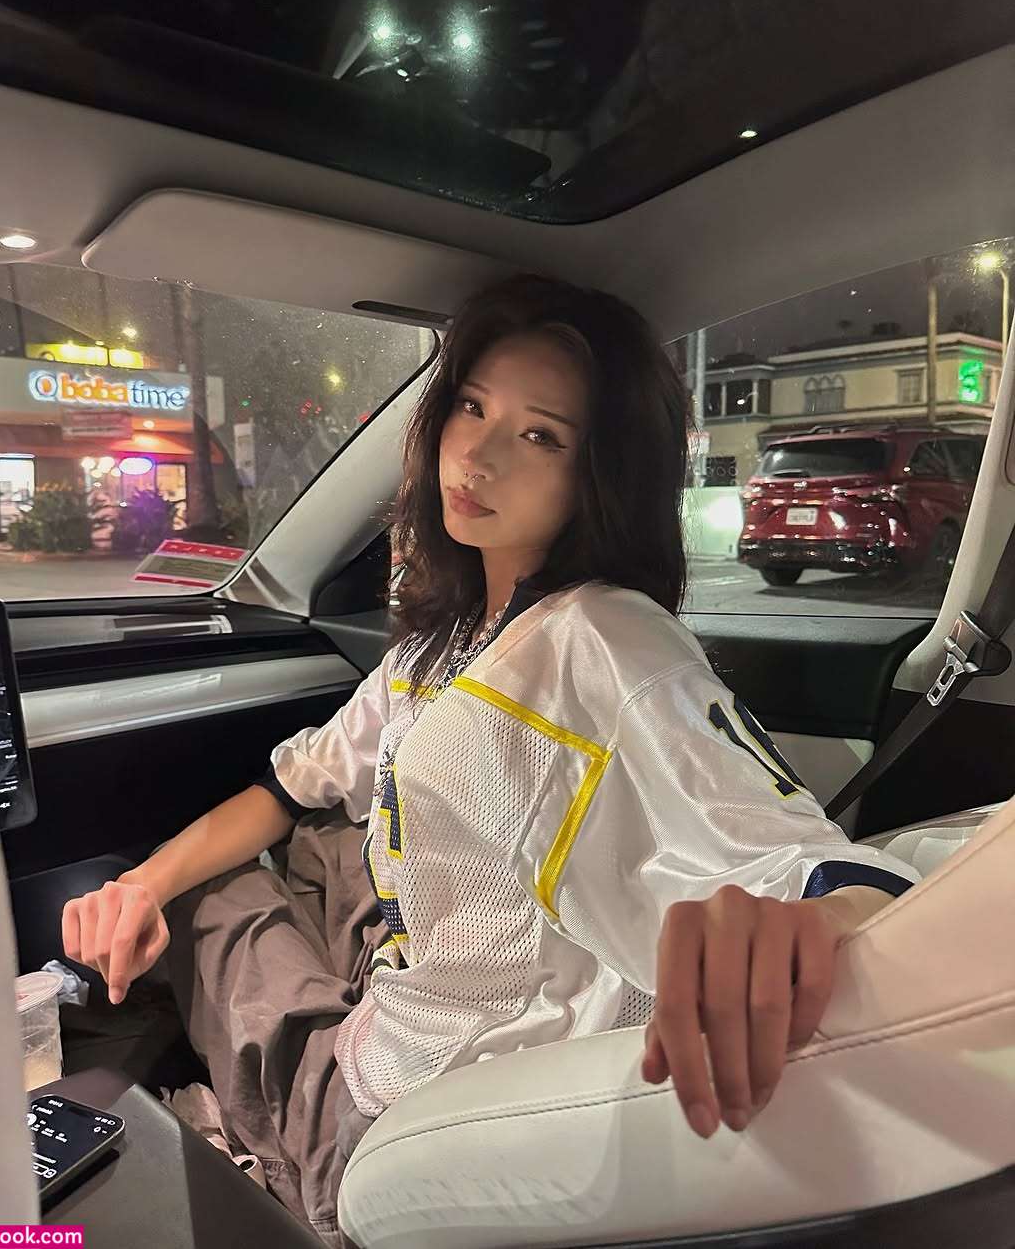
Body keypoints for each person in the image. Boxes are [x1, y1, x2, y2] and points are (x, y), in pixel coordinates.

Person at [61, 275, 918, 1243]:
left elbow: (795, 852)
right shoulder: (442, 645)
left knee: (216, 901)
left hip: (395, 1115)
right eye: (471, 407)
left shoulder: (604, 639)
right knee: (310, 846)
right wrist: (137, 885)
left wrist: (820, 918)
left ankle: (292, 1154)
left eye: (540, 436)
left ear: (599, 476)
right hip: (430, 983)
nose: (477, 453)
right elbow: (292, 784)